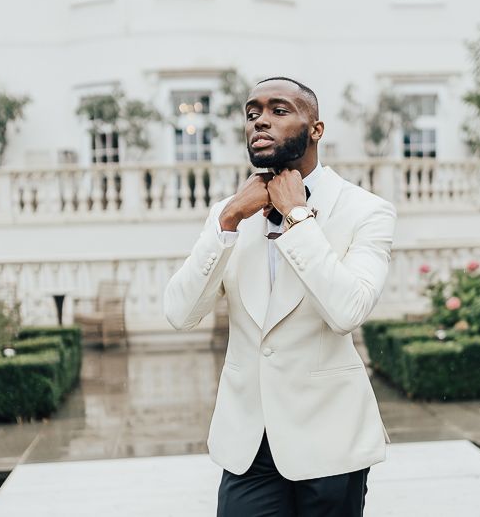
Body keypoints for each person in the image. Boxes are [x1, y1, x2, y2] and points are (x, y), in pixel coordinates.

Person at [164, 77, 397, 516]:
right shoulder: (228, 213)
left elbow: (347, 311)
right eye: (253, 114)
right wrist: (231, 218)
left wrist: (296, 216)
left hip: (331, 440)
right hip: (249, 445)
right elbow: (179, 313)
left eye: (279, 110)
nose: (261, 122)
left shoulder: (366, 211)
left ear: (316, 129)